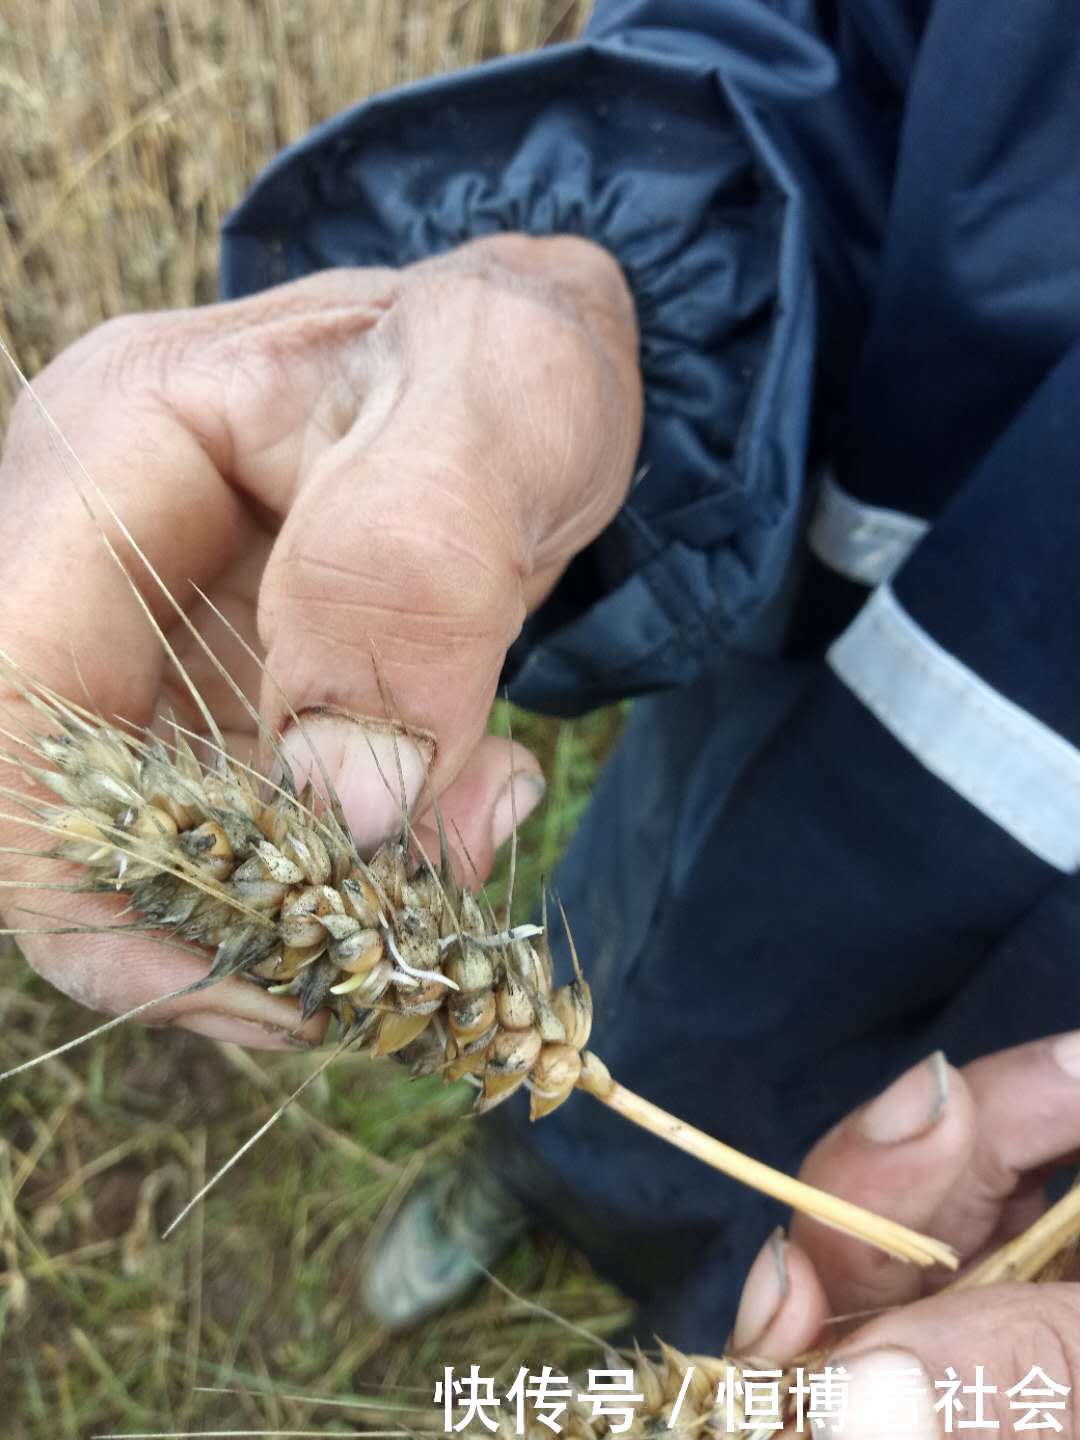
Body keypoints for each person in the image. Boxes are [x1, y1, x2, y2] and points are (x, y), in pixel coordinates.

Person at [1, 0, 1078, 1423]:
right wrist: (593, 298)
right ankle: (526, 1178)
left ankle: (677, 1321)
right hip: (793, 717)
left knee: (806, 1298)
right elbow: (803, 51)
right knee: (611, 1001)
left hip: (1031, 1035)